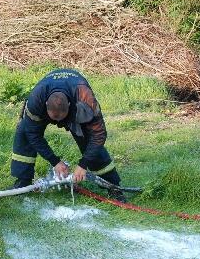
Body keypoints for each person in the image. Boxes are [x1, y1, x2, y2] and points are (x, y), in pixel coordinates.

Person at [10, 68, 125, 201]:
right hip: (47, 105)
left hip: (76, 106)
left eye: (61, 118)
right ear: (46, 104)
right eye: (54, 118)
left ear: (69, 106)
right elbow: (33, 134)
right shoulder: (36, 98)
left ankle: (113, 187)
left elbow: (99, 134)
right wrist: (55, 162)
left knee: (90, 142)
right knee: (24, 132)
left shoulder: (85, 97)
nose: (58, 122)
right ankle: (23, 183)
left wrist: (83, 165)